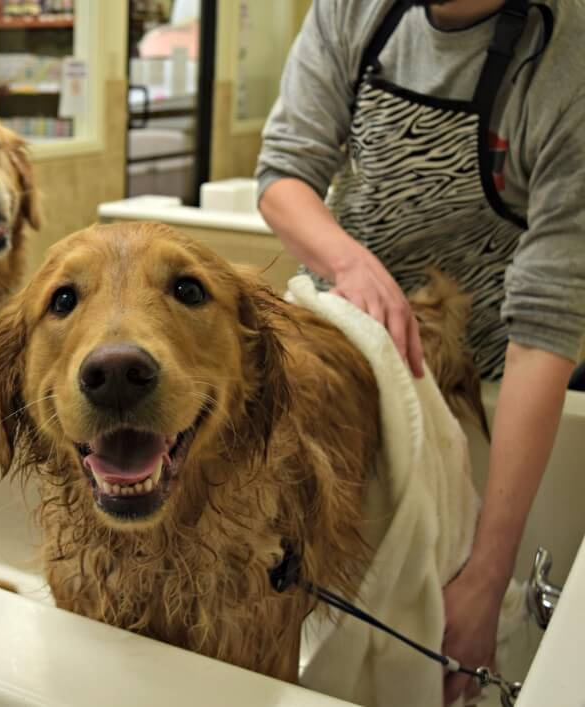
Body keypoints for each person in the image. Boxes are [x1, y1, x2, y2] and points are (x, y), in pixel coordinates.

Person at [256, 0, 583, 703]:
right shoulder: (353, 10)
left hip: (479, 384)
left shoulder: (569, 63)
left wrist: (487, 580)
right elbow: (284, 175)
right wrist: (347, 261)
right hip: (343, 361)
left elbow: (547, 326)